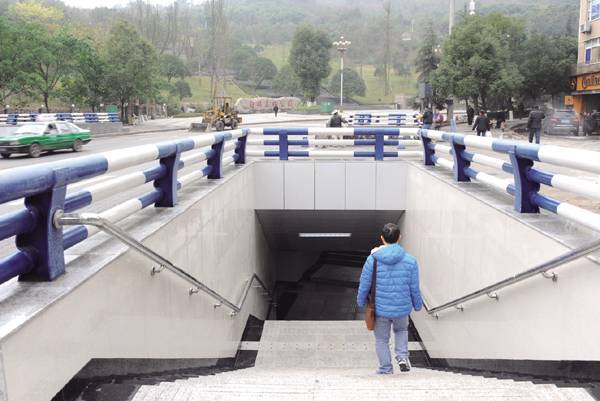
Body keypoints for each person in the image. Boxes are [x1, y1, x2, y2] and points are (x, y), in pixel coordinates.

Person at [357, 223, 423, 375]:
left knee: (381, 339)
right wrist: (417, 305)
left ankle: (385, 369)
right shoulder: (411, 261)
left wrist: (361, 301)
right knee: (401, 330)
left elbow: (365, 283)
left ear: (382, 238)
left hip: (380, 309)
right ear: (399, 237)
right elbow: (414, 286)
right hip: (402, 307)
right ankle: (402, 357)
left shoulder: (372, 260)